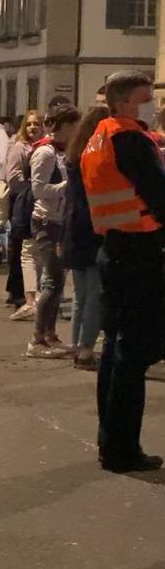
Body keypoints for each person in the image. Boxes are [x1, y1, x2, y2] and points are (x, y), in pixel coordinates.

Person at [81, 71, 165, 473]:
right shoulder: (128, 138)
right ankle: (121, 448)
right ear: (126, 99)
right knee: (132, 353)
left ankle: (110, 441)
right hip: (140, 249)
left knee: (116, 349)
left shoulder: (100, 135)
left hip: (115, 247)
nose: (150, 101)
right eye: (145, 95)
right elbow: (158, 194)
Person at [26, 104, 81, 358]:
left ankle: (49, 334)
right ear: (66, 126)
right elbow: (38, 190)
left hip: (61, 220)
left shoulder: (62, 151)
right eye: (75, 125)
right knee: (53, 280)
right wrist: (66, 187)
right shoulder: (46, 153)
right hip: (47, 221)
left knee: (56, 281)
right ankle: (38, 337)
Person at [63, 104, 109, 370]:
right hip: (92, 227)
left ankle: (76, 345)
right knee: (95, 293)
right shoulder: (95, 155)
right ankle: (86, 349)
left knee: (81, 294)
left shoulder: (74, 154)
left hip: (74, 226)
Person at [6, 111, 43, 319]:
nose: (32, 128)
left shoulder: (44, 146)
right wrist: (29, 189)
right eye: (29, 124)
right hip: (22, 201)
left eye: (36, 124)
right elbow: (13, 177)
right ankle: (18, 292)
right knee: (21, 247)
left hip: (36, 201)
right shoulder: (19, 147)